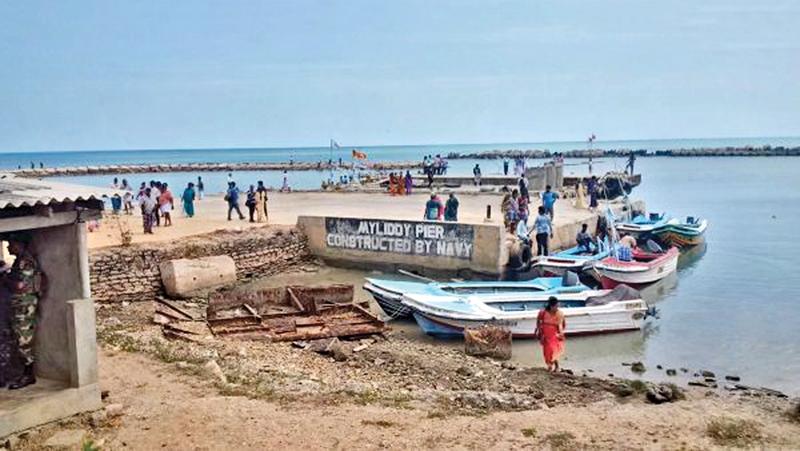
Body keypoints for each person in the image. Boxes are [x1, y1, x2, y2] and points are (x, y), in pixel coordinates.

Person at [1, 233, 44, 389]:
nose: (8, 246)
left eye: (11, 243)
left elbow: (20, 286)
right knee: (18, 339)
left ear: (19, 245)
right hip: (20, 306)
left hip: (24, 307)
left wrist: (4, 278)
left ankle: (28, 374)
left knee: (23, 340)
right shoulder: (20, 261)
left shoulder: (26, 262)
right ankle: (24, 373)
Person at [534, 297, 566, 372]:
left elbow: (561, 325)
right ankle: (550, 366)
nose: (557, 308)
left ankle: (557, 366)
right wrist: (538, 330)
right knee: (547, 352)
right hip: (545, 334)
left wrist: (561, 334)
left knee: (553, 351)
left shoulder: (559, 313)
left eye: (558, 306)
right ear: (551, 306)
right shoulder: (543, 312)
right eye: (556, 306)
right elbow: (538, 321)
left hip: (554, 335)